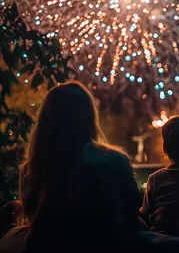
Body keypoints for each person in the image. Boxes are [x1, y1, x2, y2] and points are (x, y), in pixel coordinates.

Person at [0, 81, 142, 252]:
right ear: (89, 116)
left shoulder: (33, 168)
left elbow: (34, 218)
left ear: (46, 118)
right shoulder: (116, 160)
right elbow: (133, 208)